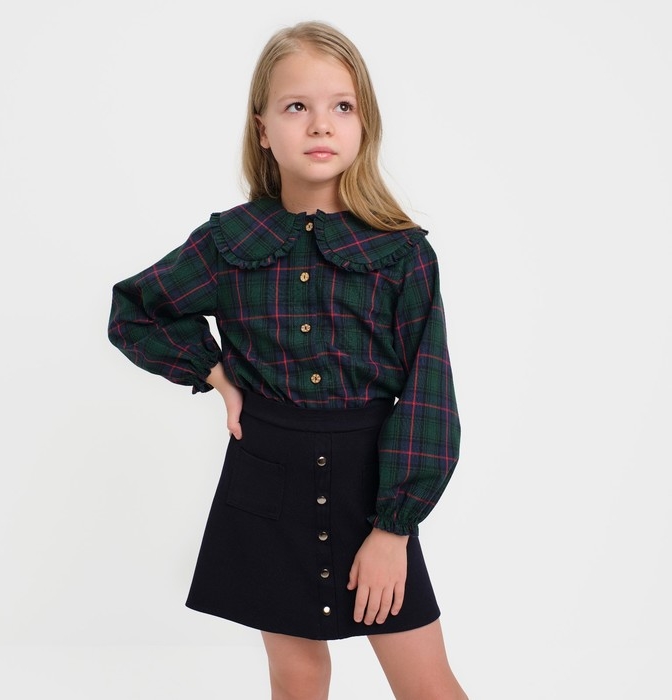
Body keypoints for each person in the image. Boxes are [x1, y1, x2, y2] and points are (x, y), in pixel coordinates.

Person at [108, 19, 468, 700]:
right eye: (297, 105)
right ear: (264, 128)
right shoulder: (229, 242)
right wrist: (215, 374)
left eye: (342, 106)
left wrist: (393, 529)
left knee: (425, 681)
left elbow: (430, 395)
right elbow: (136, 310)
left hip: (371, 486)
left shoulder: (402, 253)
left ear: (364, 125)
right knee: (297, 675)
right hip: (266, 480)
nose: (320, 124)